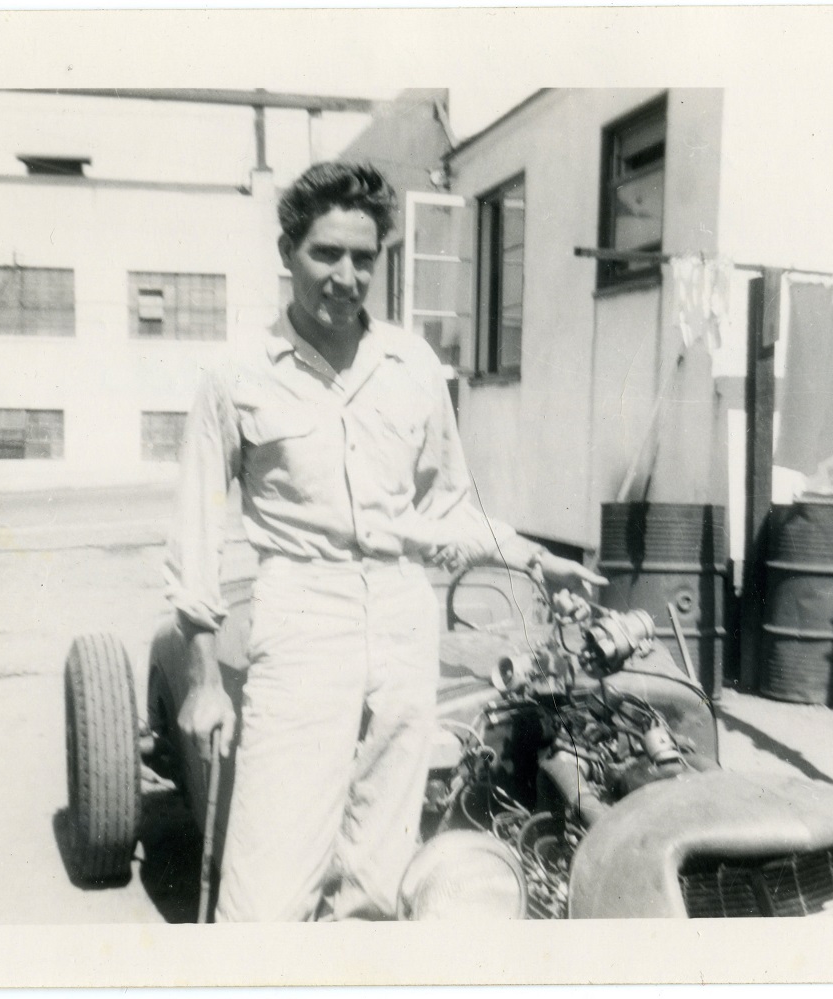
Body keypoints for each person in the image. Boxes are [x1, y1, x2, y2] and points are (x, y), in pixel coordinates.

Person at [163, 161, 604, 922]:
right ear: (286, 252)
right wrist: (205, 678)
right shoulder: (235, 374)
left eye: (363, 258)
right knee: (266, 893)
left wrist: (537, 558)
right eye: (325, 254)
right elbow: (196, 541)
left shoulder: (412, 365)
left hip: (402, 624)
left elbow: (450, 507)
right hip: (302, 617)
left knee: (376, 883)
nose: (345, 275)